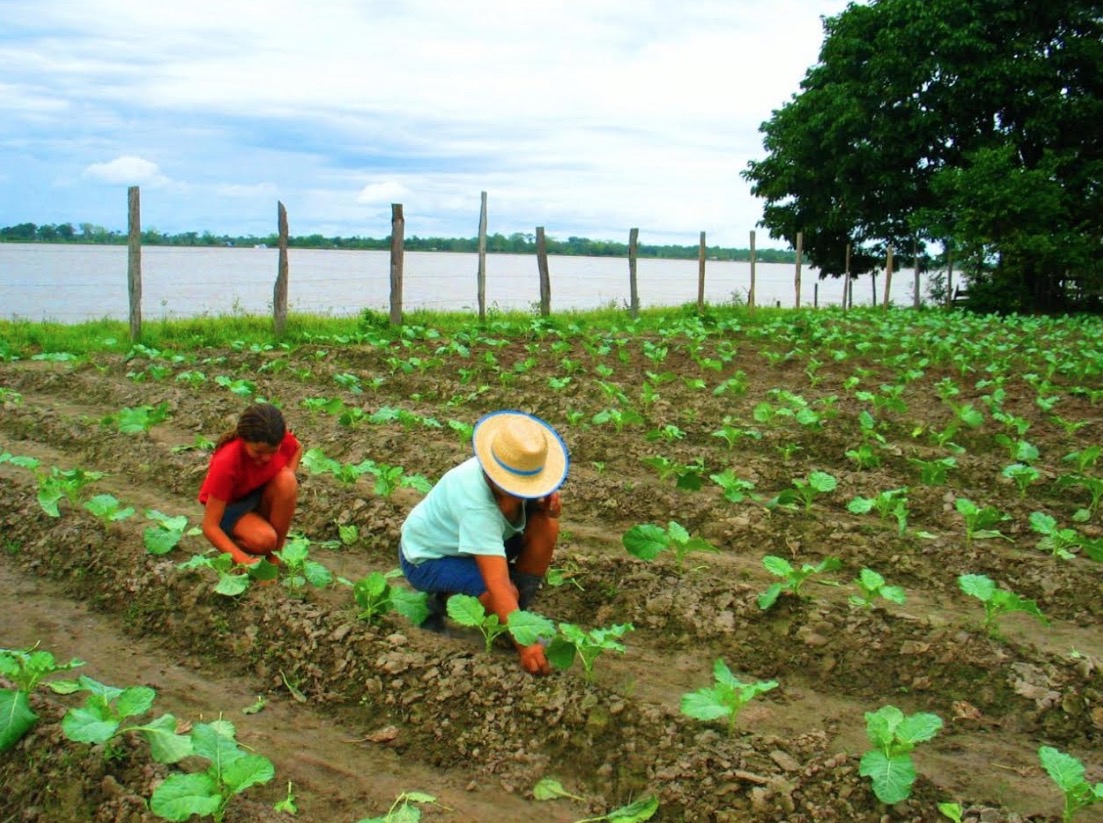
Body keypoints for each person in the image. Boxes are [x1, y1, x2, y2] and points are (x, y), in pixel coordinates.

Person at [399, 409, 569, 676]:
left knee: (546, 524)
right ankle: (439, 602)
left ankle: (513, 616)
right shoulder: (476, 505)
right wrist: (527, 645)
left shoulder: (516, 481)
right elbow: (498, 584)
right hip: (429, 557)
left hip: (471, 543)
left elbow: (537, 520)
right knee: (503, 593)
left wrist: (546, 509)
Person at [198, 403, 302, 566]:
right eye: (259, 452)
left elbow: (297, 448)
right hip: (230, 507)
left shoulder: (280, 439)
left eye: (272, 451)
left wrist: (283, 491)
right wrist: (245, 562)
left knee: (287, 480)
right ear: (243, 440)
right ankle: (231, 543)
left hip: (256, 495)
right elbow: (209, 526)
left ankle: (275, 556)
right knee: (265, 541)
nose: (267, 458)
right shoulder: (227, 462)